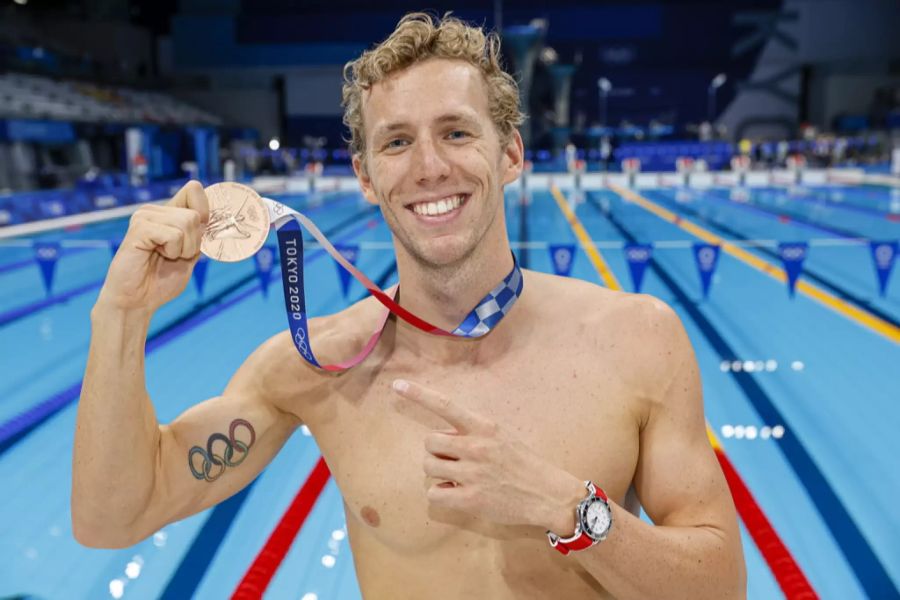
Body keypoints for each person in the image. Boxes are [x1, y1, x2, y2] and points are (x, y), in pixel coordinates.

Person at [72, 13, 746, 599]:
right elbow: (112, 518)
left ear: (509, 152)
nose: (429, 167)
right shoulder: (316, 367)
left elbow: (722, 588)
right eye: (396, 141)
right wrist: (121, 316)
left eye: (456, 132)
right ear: (365, 176)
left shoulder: (636, 341)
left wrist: (567, 507)